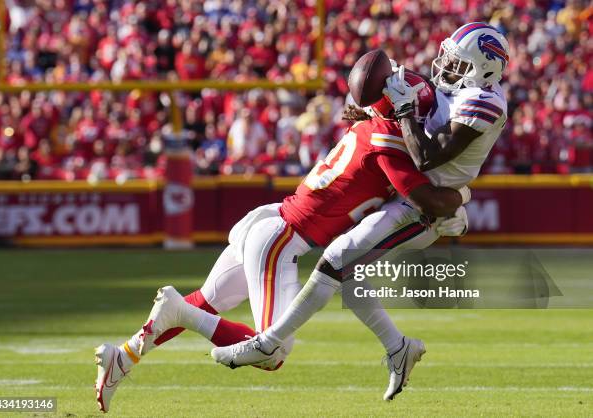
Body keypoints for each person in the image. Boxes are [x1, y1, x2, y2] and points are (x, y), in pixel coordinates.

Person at [94, 73, 470, 413]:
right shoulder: (388, 143)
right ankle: (179, 312)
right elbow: (428, 201)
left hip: (268, 220)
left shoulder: (369, 125)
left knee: (207, 301)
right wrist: (462, 201)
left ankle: (123, 357)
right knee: (272, 352)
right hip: (281, 238)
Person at [211, 22, 510, 402]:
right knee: (351, 279)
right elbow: (418, 112)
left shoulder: (484, 102)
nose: (446, 65)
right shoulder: (457, 89)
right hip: (411, 196)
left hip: (423, 207)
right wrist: (374, 112)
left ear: (485, 68)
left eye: (457, 61)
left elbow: (426, 155)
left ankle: (268, 342)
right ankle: (399, 348)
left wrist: (401, 112)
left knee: (336, 260)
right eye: (447, 56)